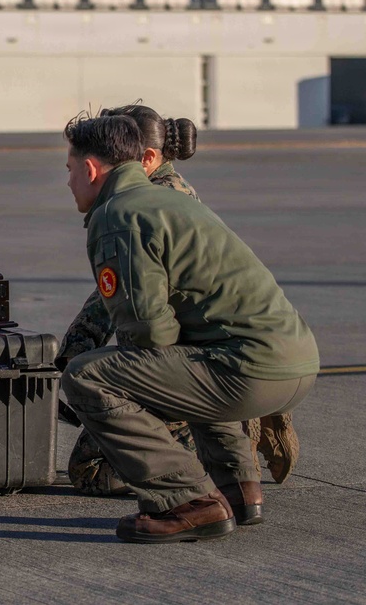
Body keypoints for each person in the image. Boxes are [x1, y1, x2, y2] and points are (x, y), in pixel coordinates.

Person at [60, 113, 318, 543]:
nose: (67, 182)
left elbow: (146, 333)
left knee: (86, 376)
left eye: (68, 171)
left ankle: (188, 502)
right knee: (188, 357)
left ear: (90, 169)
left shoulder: (120, 215)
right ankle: (238, 489)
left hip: (250, 373)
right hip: (294, 363)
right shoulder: (174, 199)